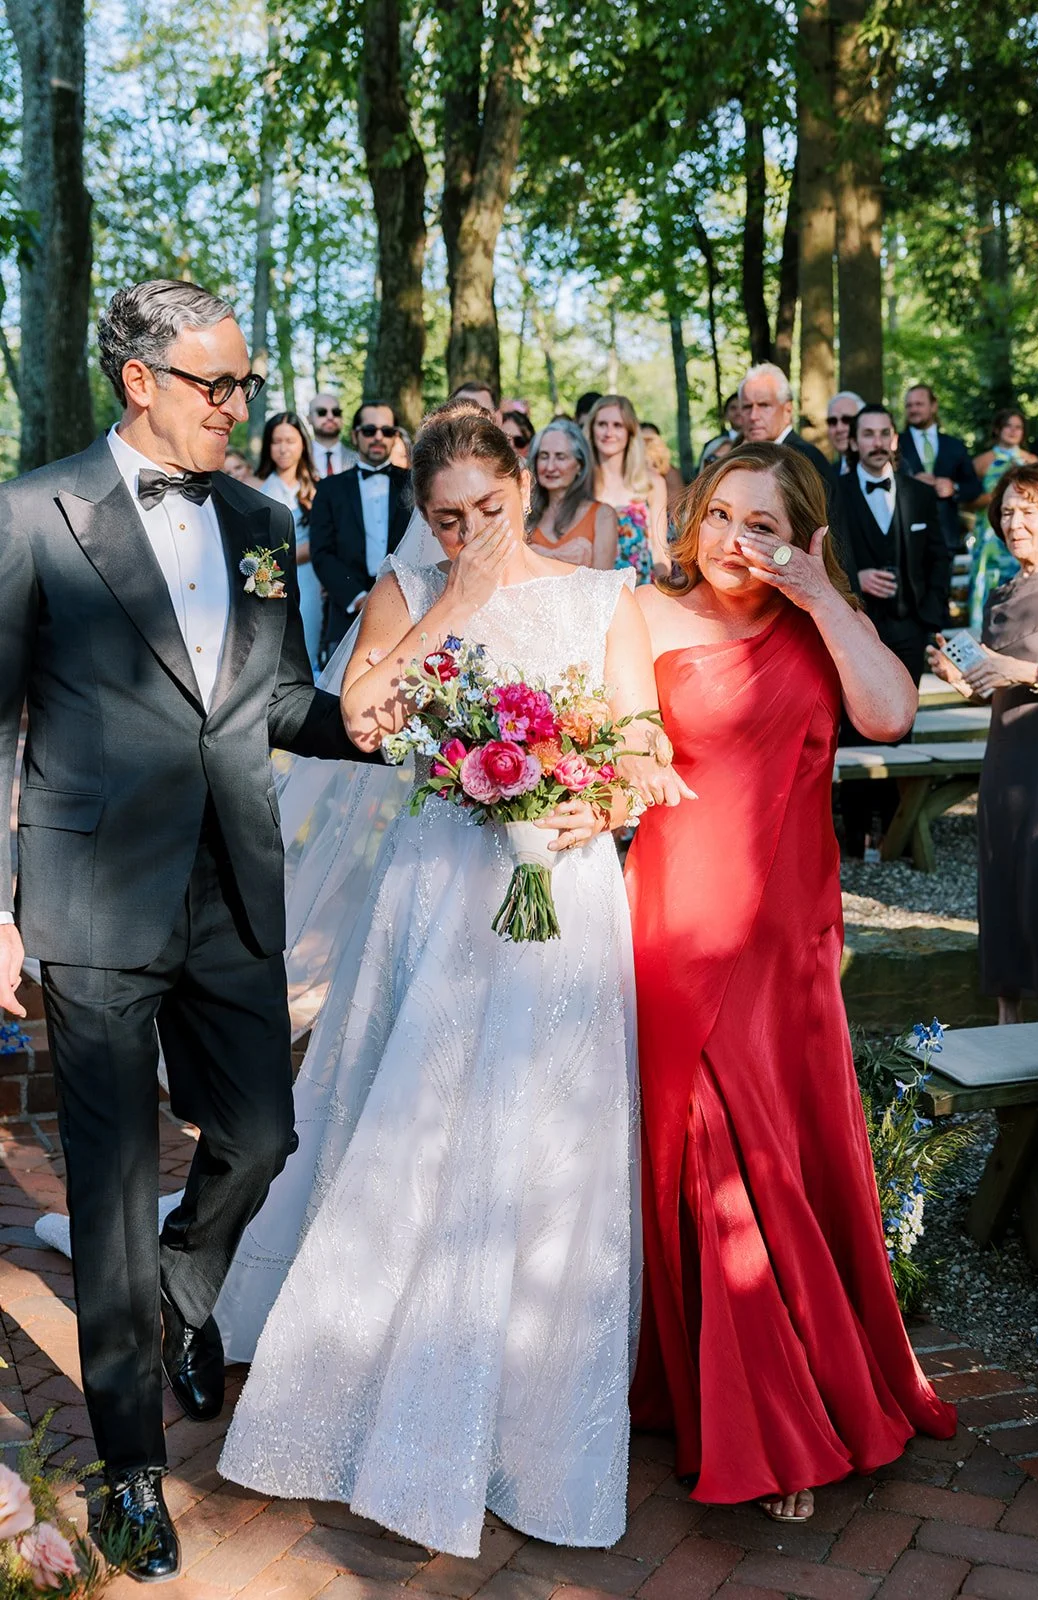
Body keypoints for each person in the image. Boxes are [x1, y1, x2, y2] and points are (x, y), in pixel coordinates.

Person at [214, 411, 688, 1559]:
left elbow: (644, 749)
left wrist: (588, 798)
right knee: (413, 1123)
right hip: (436, 888)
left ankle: (524, 1416)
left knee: (545, 1134)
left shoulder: (602, 596)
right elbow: (363, 719)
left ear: (524, 484)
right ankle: (367, 1373)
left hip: (560, 890)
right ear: (424, 515)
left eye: (489, 507)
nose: (472, 529)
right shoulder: (406, 590)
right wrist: (452, 600)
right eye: (447, 515)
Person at [0, 279, 364, 1580]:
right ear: (140, 380)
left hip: (232, 886)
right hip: (92, 894)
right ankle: (130, 1469)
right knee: (104, 1185)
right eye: (218, 383)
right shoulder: (33, 514)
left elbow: (277, 698)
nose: (239, 405)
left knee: (261, 1134)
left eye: (245, 382)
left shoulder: (265, 521)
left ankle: (186, 1285)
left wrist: (392, 729)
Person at [628, 442, 955, 1523]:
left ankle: (797, 1385)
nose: (734, 540)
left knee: (784, 1154)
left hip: (791, 937)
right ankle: (762, 1423)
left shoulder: (819, 624)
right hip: (679, 923)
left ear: (802, 535)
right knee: (713, 1156)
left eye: (762, 524)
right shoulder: (644, 614)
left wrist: (821, 597)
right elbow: (621, 750)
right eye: (721, 515)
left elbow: (890, 716)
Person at [928, 462, 1038, 1024]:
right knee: (1003, 874)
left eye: (1026, 510)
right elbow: (992, 682)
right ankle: (1008, 1019)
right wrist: (962, 675)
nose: (1012, 522)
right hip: (1005, 756)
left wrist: (1017, 670)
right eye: (1005, 512)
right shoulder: (1001, 594)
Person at [832, 403, 950, 684]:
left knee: (906, 710)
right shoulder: (832, 493)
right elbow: (823, 556)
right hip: (853, 629)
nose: (878, 443)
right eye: (868, 434)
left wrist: (929, 618)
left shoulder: (920, 494)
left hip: (911, 629)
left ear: (895, 440)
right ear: (853, 442)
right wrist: (856, 580)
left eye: (884, 433)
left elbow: (938, 556)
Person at [309, 400, 415, 659]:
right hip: (346, 610)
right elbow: (321, 552)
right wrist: (357, 598)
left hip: (404, 610)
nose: (378, 437)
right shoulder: (329, 489)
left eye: (387, 431)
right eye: (369, 430)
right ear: (355, 435)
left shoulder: (414, 484)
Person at [255, 411, 325, 667]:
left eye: (290, 441)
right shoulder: (257, 488)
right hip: (270, 580)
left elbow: (325, 540)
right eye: (276, 441)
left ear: (303, 444)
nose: (283, 449)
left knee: (308, 648)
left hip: (309, 577)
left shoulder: (319, 488)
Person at [587, 393, 670, 582]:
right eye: (602, 424)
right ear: (591, 429)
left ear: (630, 431)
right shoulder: (581, 484)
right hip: (592, 590)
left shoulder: (652, 483)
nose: (609, 432)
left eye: (618, 425)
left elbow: (660, 550)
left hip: (641, 590)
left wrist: (663, 591)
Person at [968, 408, 1037, 629]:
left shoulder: (1032, 461)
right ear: (998, 429)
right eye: (1008, 426)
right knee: (985, 586)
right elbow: (967, 501)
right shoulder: (982, 462)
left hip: (1023, 532)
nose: (1013, 431)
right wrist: (996, 497)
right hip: (989, 536)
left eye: (1018, 427)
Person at [899, 384, 981, 554]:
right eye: (909, 405)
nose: (913, 409)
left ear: (934, 406)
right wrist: (909, 483)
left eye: (919, 404)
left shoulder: (955, 445)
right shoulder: (895, 444)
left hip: (946, 539)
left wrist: (954, 488)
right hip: (905, 537)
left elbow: (974, 487)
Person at [526, 418, 619, 568]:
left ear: (580, 465)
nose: (550, 467)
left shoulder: (603, 515)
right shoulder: (525, 515)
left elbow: (604, 578)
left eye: (560, 457)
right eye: (544, 456)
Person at [737, 363, 833, 486]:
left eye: (764, 405)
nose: (753, 416)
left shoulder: (804, 458)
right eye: (747, 407)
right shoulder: (743, 457)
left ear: (787, 410)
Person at [307, 391, 357, 478]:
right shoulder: (299, 459)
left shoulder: (358, 459)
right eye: (322, 412)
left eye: (336, 412)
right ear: (309, 419)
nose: (330, 417)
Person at [640, 422, 685, 511]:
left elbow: (675, 511)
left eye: (651, 440)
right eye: (642, 440)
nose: (647, 445)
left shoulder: (669, 472)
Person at [825, 390, 864, 472]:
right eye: (832, 421)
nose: (839, 429)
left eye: (847, 420)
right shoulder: (828, 474)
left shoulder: (887, 471)